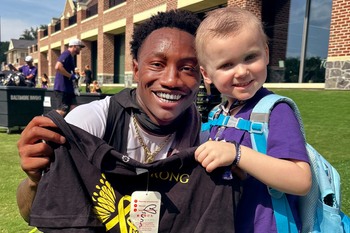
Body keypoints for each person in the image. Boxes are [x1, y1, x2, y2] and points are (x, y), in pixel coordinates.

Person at [17, 10, 242, 232]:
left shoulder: (207, 143)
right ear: (136, 70)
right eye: (157, 64)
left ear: (201, 76)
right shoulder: (90, 123)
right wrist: (35, 182)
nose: (171, 80)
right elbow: (33, 214)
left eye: (187, 68)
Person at [194, 7, 312, 233]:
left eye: (250, 57)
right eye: (227, 64)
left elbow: (301, 180)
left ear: (266, 54)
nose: (241, 72)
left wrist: (237, 154)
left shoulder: (275, 111)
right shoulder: (217, 115)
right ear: (206, 74)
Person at [53, 38, 85, 117]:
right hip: (62, 89)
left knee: (73, 109)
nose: (80, 49)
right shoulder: (66, 54)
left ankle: (70, 128)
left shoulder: (70, 57)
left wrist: (74, 80)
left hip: (69, 89)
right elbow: (58, 67)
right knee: (62, 111)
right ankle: (47, 124)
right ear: (74, 46)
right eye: (79, 47)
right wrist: (71, 76)